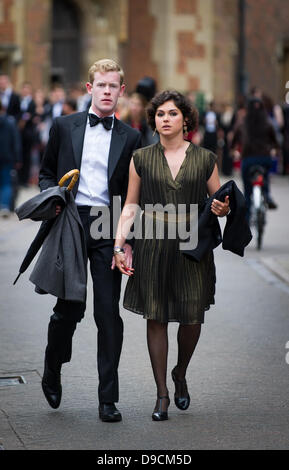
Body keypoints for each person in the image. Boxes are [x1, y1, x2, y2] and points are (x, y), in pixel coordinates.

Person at [112, 90, 230, 421]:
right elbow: (131, 206)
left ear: (186, 120)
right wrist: (119, 246)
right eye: (161, 114)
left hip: (193, 246)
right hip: (153, 246)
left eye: (172, 113)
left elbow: (219, 203)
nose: (166, 119)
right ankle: (162, 393)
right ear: (155, 121)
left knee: (192, 317)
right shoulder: (141, 158)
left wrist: (222, 207)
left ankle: (180, 372)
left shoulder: (206, 158)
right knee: (157, 316)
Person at [39, 59, 141, 422]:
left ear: (122, 91)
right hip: (70, 219)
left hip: (107, 225)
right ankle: (53, 366)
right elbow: (47, 172)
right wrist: (51, 198)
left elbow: (135, 195)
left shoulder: (132, 137)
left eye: (114, 86)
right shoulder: (64, 127)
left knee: (107, 313)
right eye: (101, 85)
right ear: (89, 89)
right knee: (69, 309)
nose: (108, 91)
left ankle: (107, 399)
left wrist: (128, 241)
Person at [231, 97, 279, 221]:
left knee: (247, 190)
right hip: (265, 158)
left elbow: (234, 140)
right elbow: (275, 142)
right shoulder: (267, 122)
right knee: (265, 176)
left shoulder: (242, 122)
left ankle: (246, 219)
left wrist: (234, 151)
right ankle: (267, 195)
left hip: (248, 159)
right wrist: (274, 149)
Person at [0, 99, 22, 216]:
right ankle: (4, 206)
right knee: (6, 183)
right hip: (7, 156)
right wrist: (18, 158)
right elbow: (16, 141)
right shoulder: (10, 122)